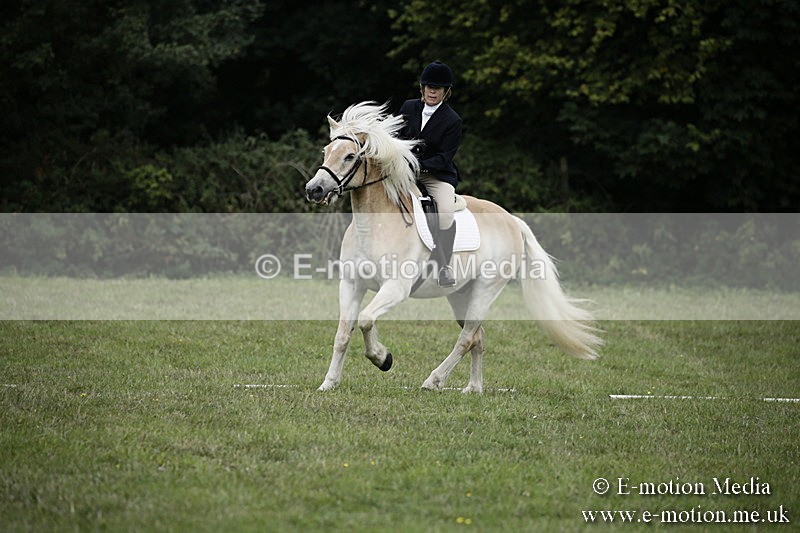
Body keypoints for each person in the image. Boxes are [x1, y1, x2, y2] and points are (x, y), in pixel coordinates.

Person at [398, 60, 462, 287]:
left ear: (446, 91)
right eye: (429, 86)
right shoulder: (408, 107)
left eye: (438, 88)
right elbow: (395, 137)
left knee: (445, 213)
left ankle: (443, 265)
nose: (433, 91)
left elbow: (445, 157)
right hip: (403, 170)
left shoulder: (453, 120)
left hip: (435, 174)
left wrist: (419, 165)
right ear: (422, 88)